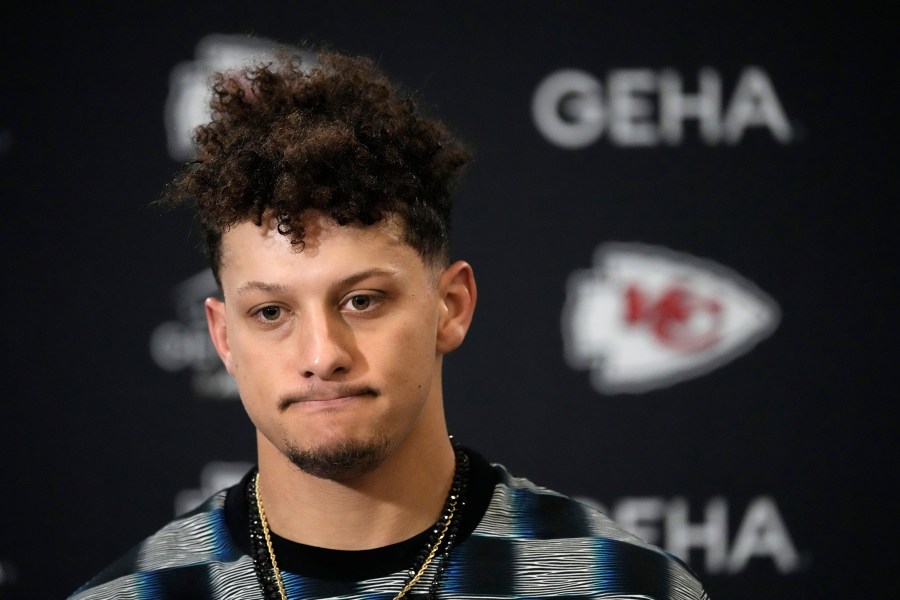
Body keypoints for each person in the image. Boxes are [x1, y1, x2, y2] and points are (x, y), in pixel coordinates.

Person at [69, 43, 710, 600]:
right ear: (223, 337)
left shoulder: (622, 586)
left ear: (450, 306)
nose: (323, 354)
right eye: (271, 312)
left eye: (362, 301)